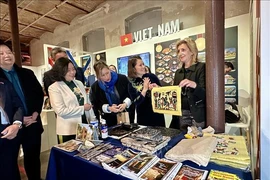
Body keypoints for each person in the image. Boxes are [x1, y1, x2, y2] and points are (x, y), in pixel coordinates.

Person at [0, 43, 44, 180]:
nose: (6, 55)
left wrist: (36, 113)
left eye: (8, 52)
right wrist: (18, 120)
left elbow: (39, 94)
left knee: (33, 159)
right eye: (1, 53)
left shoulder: (27, 73)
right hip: (10, 129)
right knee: (10, 163)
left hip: (32, 123)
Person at [48, 57, 95, 143]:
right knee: (69, 155)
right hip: (68, 130)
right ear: (61, 71)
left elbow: (87, 103)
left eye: (73, 69)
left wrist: (93, 120)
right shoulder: (54, 87)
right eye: (69, 70)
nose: (73, 72)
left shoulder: (79, 83)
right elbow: (60, 111)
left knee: (85, 153)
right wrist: (82, 108)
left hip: (84, 126)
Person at [90, 61, 149, 127]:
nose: (107, 77)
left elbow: (132, 95)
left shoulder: (122, 79)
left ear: (109, 70)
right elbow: (96, 105)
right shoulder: (95, 87)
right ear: (98, 76)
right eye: (103, 75)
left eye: (107, 73)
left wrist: (125, 104)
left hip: (127, 117)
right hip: (109, 120)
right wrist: (108, 108)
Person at [169, 38, 206, 131]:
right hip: (182, 114)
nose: (180, 53)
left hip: (197, 114)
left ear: (192, 51)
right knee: (183, 140)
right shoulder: (178, 72)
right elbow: (174, 93)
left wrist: (194, 85)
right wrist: (159, 89)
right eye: (178, 51)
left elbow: (205, 94)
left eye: (183, 50)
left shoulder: (201, 67)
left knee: (197, 142)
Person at [128, 56, 165, 127]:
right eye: (140, 65)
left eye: (143, 64)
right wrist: (145, 89)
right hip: (143, 116)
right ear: (133, 69)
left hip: (157, 114)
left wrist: (156, 88)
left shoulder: (152, 76)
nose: (143, 67)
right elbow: (136, 102)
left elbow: (163, 93)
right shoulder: (131, 83)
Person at [0, 78, 23, 180]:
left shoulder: (4, 82)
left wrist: (16, 124)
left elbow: (18, 105)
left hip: (9, 133)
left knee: (11, 171)